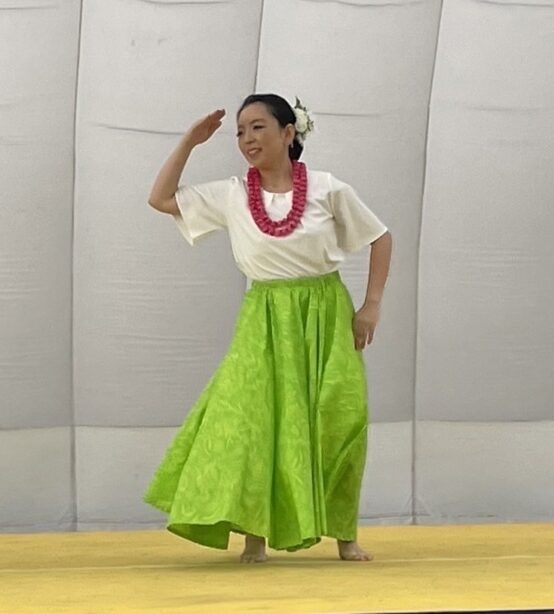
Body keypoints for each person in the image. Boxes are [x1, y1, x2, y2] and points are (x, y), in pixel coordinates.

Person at [143, 93, 392, 563]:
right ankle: (254, 535)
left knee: (337, 419)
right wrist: (190, 142)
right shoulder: (232, 194)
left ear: (288, 132)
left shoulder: (327, 188)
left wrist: (371, 305)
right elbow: (160, 199)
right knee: (253, 421)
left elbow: (379, 237)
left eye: (257, 127)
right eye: (240, 131)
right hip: (264, 318)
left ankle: (344, 535)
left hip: (324, 315)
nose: (247, 138)